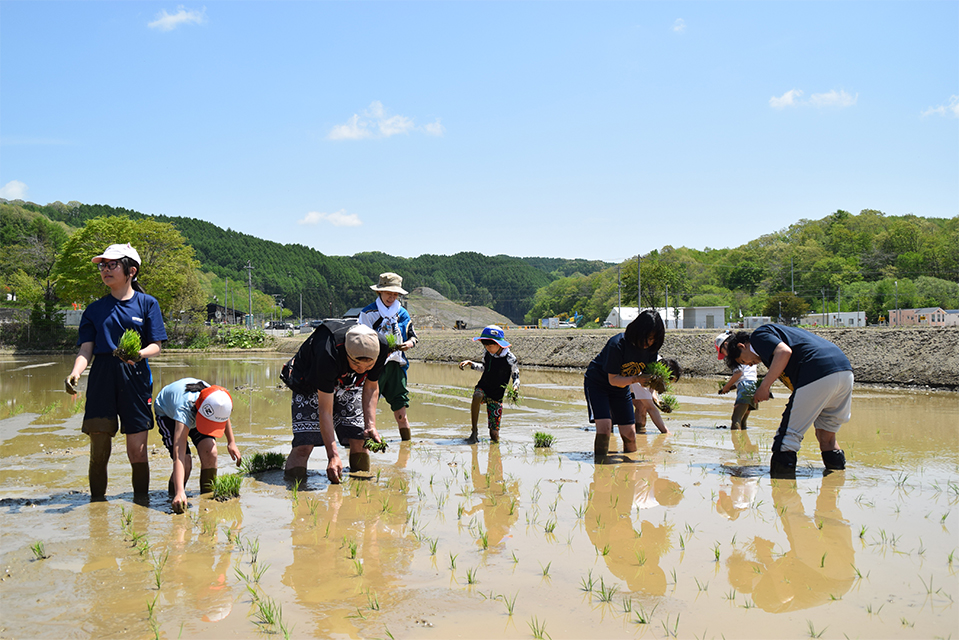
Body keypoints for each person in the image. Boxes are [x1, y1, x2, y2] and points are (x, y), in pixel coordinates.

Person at [65, 243, 167, 500]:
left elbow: (156, 345)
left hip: (135, 377)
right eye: (103, 266)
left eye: (112, 265)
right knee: (99, 449)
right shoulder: (94, 309)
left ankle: (141, 504)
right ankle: (97, 504)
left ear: (131, 270)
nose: (105, 270)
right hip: (101, 377)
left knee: (137, 449)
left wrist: (138, 354)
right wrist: (76, 372)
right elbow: (86, 349)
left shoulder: (147, 304)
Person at [724, 324, 853, 478]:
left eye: (745, 361)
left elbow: (784, 352)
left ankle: (783, 494)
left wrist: (764, 386)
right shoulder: (776, 342)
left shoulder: (758, 335)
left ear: (742, 346)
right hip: (844, 372)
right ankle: (836, 483)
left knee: (786, 439)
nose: (751, 364)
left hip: (818, 371)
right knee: (827, 438)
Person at [283, 321, 389, 484]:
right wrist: (333, 455)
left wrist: (371, 425)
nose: (362, 370)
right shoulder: (328, 351)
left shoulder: (379, 346)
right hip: (310, 382)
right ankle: (294, 488)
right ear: (347, 354)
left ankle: (361, 493)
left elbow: (371, 386)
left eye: (369, 366)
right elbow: (325, 411)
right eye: (356, 364)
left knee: (359, 438)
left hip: (349, 383)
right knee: (305, 444)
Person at [584, 309, 664, 462]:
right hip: (598, 384)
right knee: (605, 429)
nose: (649, 343)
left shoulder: (651, 351)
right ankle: (600, 468)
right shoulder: (618, 344)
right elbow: (613, 380)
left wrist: (656, 385)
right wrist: (636, 379)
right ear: (638, 331)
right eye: (647, 337)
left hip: (622, 388)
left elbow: (645, 379)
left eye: (654, 338)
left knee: (630, 434)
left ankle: (629, 469)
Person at [154, 378, 242, 513]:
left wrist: (231, 442)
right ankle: (174, 498)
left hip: (201, 411)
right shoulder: (183, 409)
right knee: (187, 463)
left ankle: (207, 499)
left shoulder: (217, 399)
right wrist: (180, 492)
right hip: (168, 414)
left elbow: (222, 414)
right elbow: (179, 455)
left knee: (210, 453)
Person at [358, 272, 418, 441]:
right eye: (388, 293)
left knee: (401, 414)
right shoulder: (368, 313)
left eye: (395, 294)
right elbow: (359, 341)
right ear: (379, 292)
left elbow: (413, 336)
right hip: (373, 367)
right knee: (368, 412)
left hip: (396, 367)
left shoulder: (402, 313)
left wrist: (409, 344)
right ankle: (365, 445)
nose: (392, 297)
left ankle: (407, 447)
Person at [458, 325, 520, 444]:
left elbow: (516, 376)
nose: (488, 348)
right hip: (484, 387)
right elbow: (485, 368)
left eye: (490, 345)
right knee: (477, 395)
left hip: (497, 395)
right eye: (485, 345)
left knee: (494, 435)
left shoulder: (510, 359)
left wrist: (515, 387)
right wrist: (471, 364)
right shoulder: (487, 354)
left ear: (499, 344)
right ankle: (474, 431)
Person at [630, 357, 682, 434]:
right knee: (609, 417)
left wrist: (657, 402)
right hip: (616, 381)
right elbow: (651, 409)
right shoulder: (643, 376)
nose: (667, 386)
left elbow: (651, 390)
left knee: (642, 405)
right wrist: (666, 432)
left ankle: (639, 432)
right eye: (667, 383)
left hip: (631, 382)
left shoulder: (658, 363)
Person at [719, 359, 759, 430]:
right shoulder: (749, 355)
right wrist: (729, 388)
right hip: (754, 387)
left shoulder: (737, 356)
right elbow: (746, 378)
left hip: (745, 387)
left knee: (736, 419)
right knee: (742, 420)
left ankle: (737, 439)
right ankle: (743, 439)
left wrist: (727, 386)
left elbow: (738, 373)